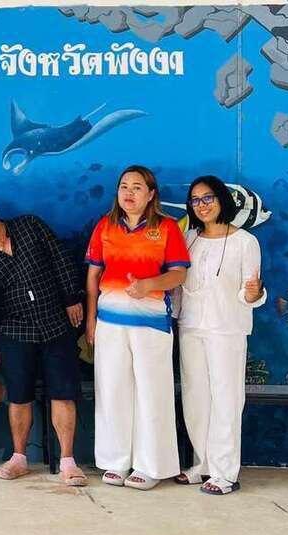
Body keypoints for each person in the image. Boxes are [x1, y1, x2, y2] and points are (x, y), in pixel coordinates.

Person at [0, 195, 88, 486]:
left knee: (63, 393)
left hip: (56, 321)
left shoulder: (30, 225)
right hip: (15, 331)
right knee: (18, 396)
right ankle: (19, 459)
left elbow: (60, 259)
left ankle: (68, 461)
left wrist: (71, 298)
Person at [85, 165, 189, 490]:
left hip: (151, 324)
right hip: (109, 322)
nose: (129, 193)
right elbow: (93, 276)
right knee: (112, 390)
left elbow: (179, 274)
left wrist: (149, 285)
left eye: (137, 187)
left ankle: (150, 466)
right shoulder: (105, 226)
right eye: (124, 186)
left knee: (151, 393)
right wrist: (91, 320)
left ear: (151, 193)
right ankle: (116, 462)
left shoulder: (167, 228)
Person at [174, 176, 266, 495]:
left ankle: (225, 472)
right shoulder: (188, 238)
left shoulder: (245, 242)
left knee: (226, 399)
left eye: (208, 198)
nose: (202, 205)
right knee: (195, 397)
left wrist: (254, 294)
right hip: (190, 327)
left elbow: (250, 291)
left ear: (222, 199)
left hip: (227, 329)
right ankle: (202, 465)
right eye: (196, 200)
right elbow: (178, 285)